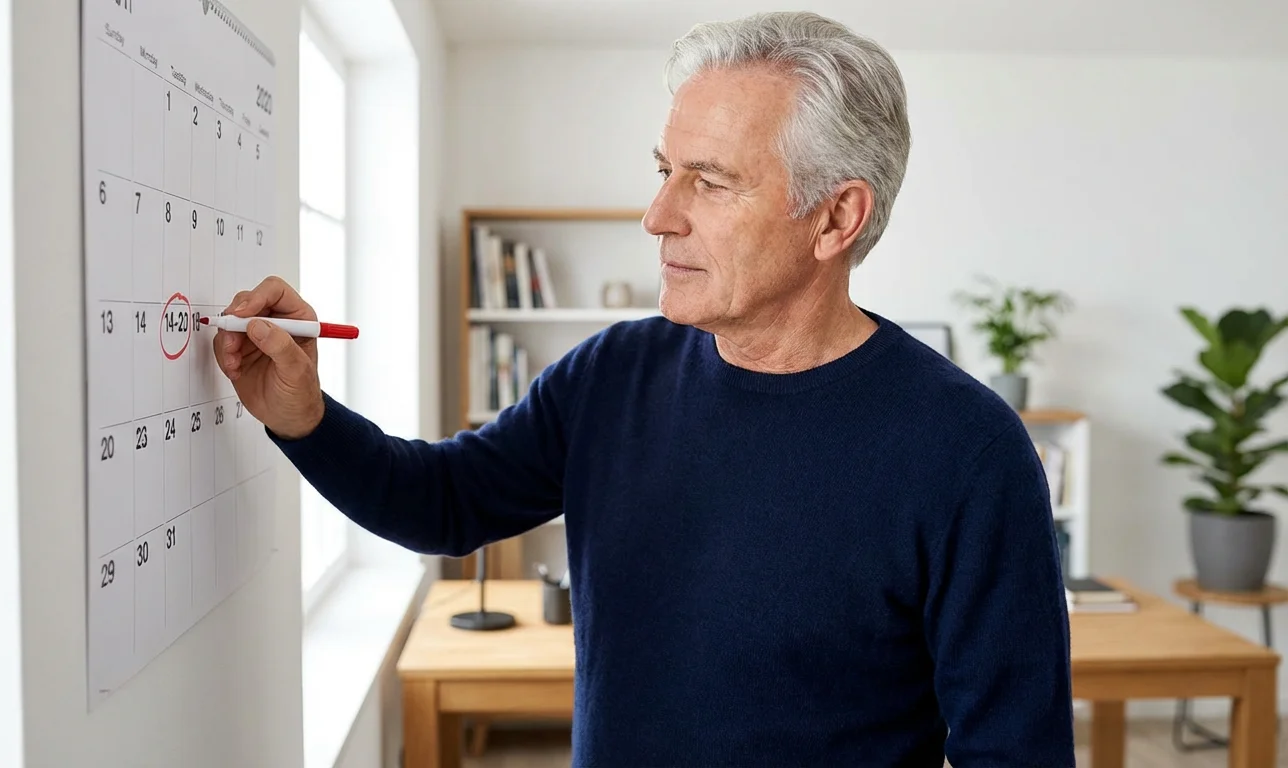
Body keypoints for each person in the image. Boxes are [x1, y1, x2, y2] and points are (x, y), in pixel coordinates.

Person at [214, 10, 1074, 767]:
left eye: (710, 179)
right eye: (664, 169)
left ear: (836, 218)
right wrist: (306, 420)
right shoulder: (612, 374)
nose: (657, 214)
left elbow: (1014, 753)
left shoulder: (969, 451)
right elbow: (443, 503)